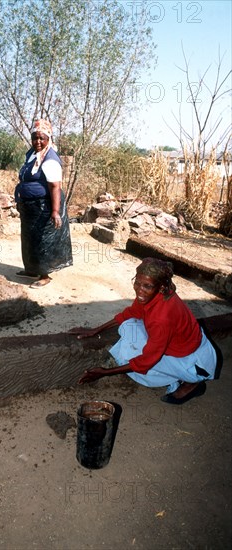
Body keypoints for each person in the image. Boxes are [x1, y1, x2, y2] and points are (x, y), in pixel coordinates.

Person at [70, 257, 217, 405]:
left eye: (147, 286)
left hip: (193, 362)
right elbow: (131, 312)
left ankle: (191, 381)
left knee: (128, 356)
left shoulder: (161, 318)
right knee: (129, 326)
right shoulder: (158, 292)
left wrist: (104, 373)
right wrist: (95, 330)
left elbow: (146, 361)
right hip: (182, 345)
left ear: (160, 288)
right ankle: (177, 374)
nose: (139, 290)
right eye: (137, 283)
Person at [14, 119, 73, 288]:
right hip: (30, 206)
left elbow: (55, 186)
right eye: (35, 138)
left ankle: (44, 274)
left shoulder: (51, 159)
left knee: (42, 240)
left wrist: (54, 211)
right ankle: (31, 269)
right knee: (28, 239)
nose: (38, 142)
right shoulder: (32, 154)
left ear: (48, 138)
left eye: (42, 138)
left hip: (44, 206)